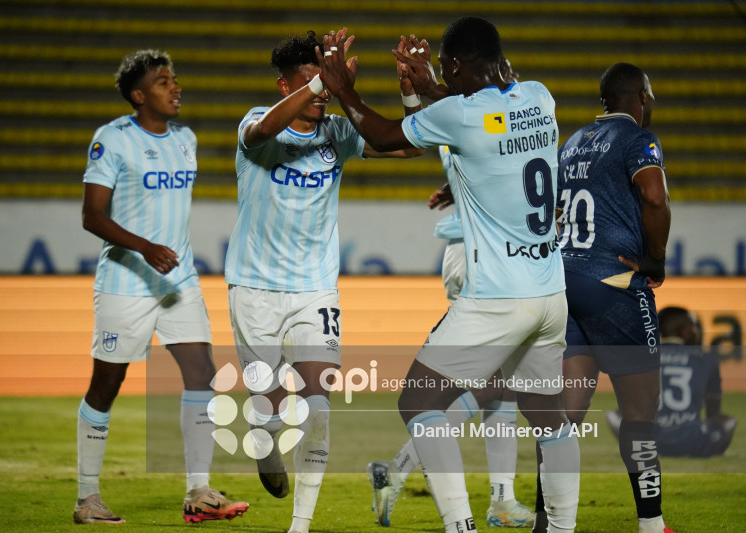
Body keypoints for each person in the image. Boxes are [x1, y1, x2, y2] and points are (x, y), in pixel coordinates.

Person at [318, 18, 580, 533]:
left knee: (418, 402)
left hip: (497, 297)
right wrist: (430, 85)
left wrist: (343, 89)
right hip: (550, 292)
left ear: (456, 65)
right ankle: (562, 529)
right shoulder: (539, 97)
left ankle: (460, 525)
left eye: (443, 67)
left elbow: (385, 136)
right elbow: (486, 114)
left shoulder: (461, 115)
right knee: (548, 417)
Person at [224, 29, 421, 533]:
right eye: (311, 83)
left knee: (318, 409)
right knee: (268, 410)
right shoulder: (256, 123)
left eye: (326, 82)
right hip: (254, 290)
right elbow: (262, 132)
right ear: (284, 85)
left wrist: (410, 92)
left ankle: (301, 525)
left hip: (315, 290)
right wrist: (322, 83)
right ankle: (264, 437)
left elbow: (409, 148)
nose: (323, 94)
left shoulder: (337, 132)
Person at [75, 49, 248, 525]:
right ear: (138, 95)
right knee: (106, 385)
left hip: (179, 280)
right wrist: (144, 247)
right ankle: (87, 498)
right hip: (126, 281)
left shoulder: (186, 139)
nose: (175, 88)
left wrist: (161, 253)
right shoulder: (112, 139)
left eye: (174, 80)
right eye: (163, 82)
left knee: (202, 373)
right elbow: (92, 215)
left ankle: (199, 490)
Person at [366, 60, 535, 530]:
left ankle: (500, 498)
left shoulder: (472, 119)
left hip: (481, 255)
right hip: (480, 259)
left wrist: (451, 187)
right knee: (488, 385)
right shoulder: (476, 113)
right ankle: (400, 472)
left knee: (500, 385)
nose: (511, 82)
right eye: (505, 72)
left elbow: (484, 161)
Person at [538, 62, 673, 533]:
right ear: (641, 96)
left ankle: (546, 521)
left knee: (564, 416)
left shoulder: (573, 143)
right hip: (613, 285)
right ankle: (652, 525)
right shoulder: (638, 140)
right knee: (640, 412)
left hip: (564, 279)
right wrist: (655, 260)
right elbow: (654, 197)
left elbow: (551, 209)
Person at [606, 306, 737, 457]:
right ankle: (713, 452)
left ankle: (640, 447)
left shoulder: (642, 356)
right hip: (695, 437)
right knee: (728, 421)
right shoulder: (706, 359)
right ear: (685, 331)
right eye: (693, 327)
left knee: (614, 415)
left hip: (650, 438)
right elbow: (713, 412)